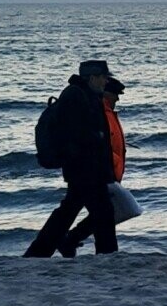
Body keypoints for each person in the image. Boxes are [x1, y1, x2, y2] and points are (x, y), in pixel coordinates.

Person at [24, 59, 119, 257]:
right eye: (103, 77)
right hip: (83, 167)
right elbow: (76, 132)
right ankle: (107, 255)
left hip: (86, 167)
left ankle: (39, 252)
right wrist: (96, 138)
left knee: (70, 211)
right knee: (102, 213)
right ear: (92, 77)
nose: (105, 82)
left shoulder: (87, 95)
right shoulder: (76, 95)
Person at [58, 77, 127, 258]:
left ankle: (68, 241)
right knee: (103, 212)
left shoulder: (107, 112)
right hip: (99, 173)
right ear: (106, 93)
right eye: (115, 95)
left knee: (93, 211)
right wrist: (108, 170)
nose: (118, 99)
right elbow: (102, 146)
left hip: (105, 173)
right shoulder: (99, 112)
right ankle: (73, 242)